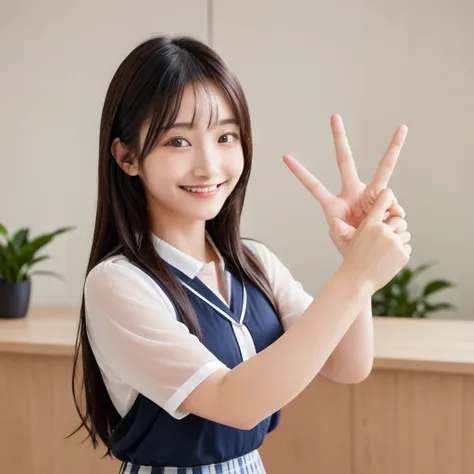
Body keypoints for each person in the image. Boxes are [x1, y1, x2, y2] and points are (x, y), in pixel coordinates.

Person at [72, 35, 411, 474]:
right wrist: (356, 276)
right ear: (127, 156)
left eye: (226, 136)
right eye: (178, 141)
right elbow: (236, 402)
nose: (209, 165)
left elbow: (348, 364)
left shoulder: (254, 264)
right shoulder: (118, 283)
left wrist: (356, 258)